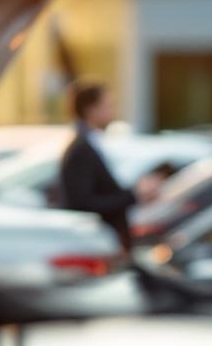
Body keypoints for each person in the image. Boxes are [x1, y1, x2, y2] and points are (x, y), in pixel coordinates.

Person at [59, 80, 161, 251]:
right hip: (95, 244)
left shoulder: (89, 143)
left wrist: (135, 193)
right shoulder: (81, 149)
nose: (112, 112)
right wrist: (133, 196)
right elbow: (83, 203)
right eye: (108, 106)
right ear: (91, 109)